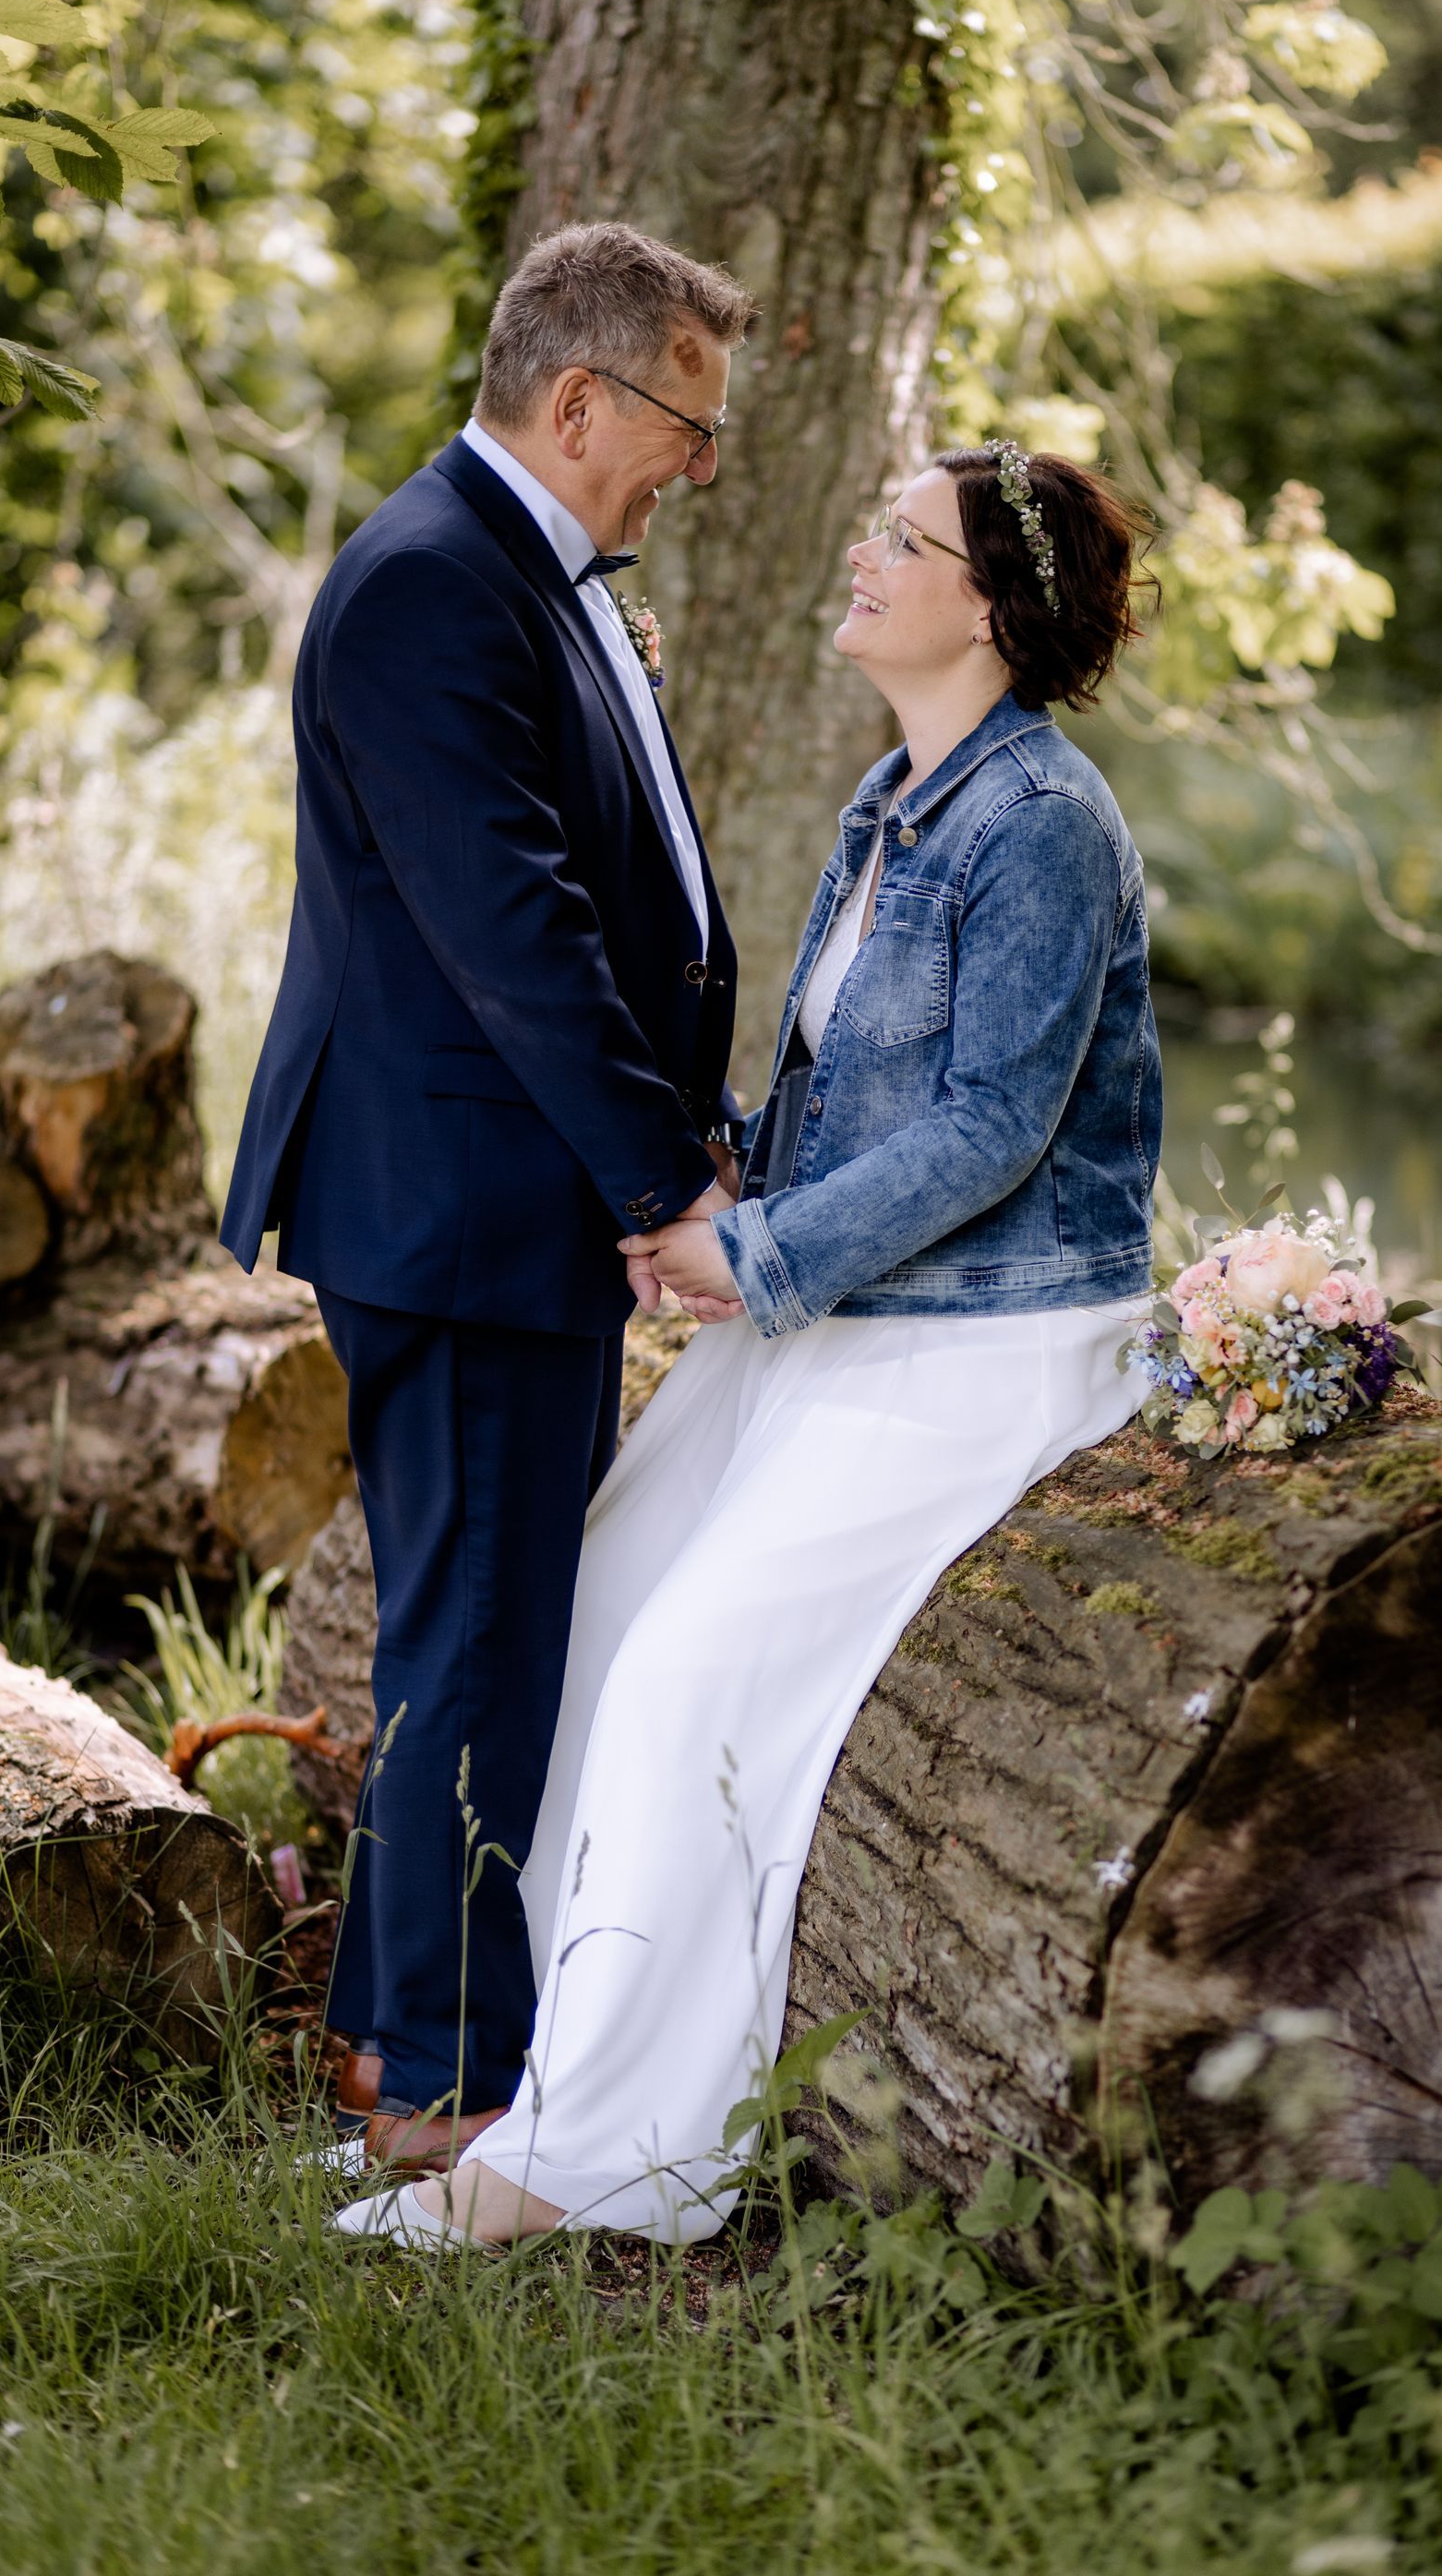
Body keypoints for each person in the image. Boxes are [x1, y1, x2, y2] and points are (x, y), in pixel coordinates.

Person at [334, 435, 1165, 2249]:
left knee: (691, 1675)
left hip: (989, 1339)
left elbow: (990, 1137)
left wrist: (758, 1254)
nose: (862, 554)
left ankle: (602, 2159)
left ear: (991, 608)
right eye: (874, 522)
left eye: (905, 538)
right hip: (856, 1309)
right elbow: (846, 1095)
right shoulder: (895, 804)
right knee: (605, 1597)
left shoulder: (1047, 828)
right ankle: (534, 2068)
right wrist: (722, 1197)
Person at [221, 223, 757, 2171]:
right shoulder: (432, 586)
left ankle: (398, 2031)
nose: (700, 466)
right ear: (579, 399)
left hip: (500, 1196)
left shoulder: (534, 571)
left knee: (493, 1619)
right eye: (688, 425)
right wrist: (661, 1182)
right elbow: (512, 932)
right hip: (457, 1205)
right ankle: (439, 2092)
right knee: (478, 1636)